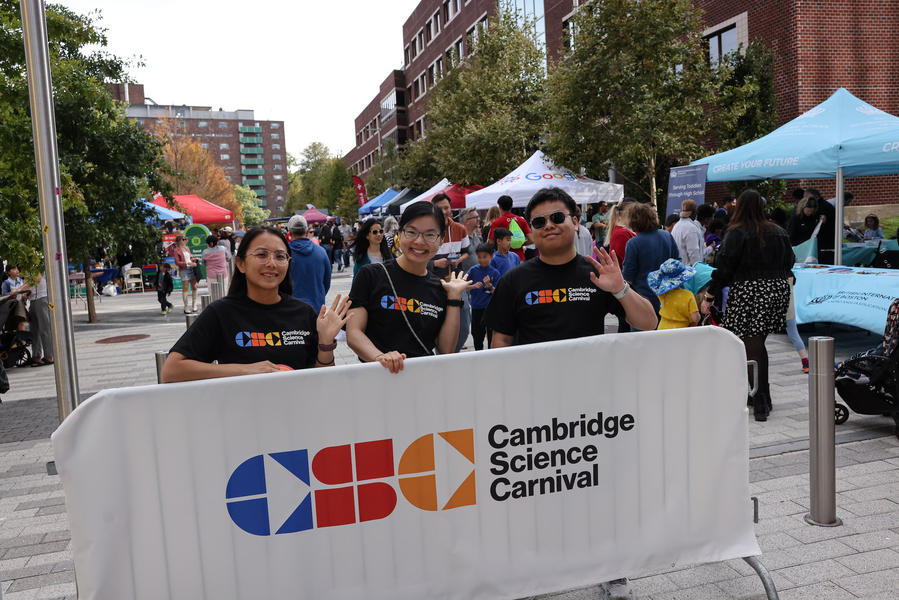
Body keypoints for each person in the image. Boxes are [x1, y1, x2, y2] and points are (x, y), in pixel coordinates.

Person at [482, 187, 656, 600]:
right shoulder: (515, 279)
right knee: (538, 489)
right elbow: (499, 344)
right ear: (531, 231)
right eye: (538, 222)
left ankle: (612, 567)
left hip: (593, 406)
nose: (548, 227)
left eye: (557, 218)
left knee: (600, 486)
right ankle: (536, 567)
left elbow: (648, 323)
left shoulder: (596, 272)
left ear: (575, 221)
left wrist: (618, 289)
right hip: (534, 410)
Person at [161, 226, 351, 383]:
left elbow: (321, 381)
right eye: (261, 255)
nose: (271, 263)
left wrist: (325, 344)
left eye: (280, 256)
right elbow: (171, 370)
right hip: (243, 421)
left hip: (296, 417)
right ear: (241, 264)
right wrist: (244, 371)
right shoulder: (221, 313)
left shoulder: (304, 312)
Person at [701, 190, 794, 422]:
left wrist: (709, 296)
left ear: (739, 206)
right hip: (777, 290)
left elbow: (724, 268)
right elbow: (790, 261)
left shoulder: (737, 232)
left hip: (750, 291)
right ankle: (762, 394)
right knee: (757, 343)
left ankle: (759, 398)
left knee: (750, 344)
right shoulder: (779, 231)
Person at [346, 202, 471, 374]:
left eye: (430, 235)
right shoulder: (371, 275)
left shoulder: (440, 289)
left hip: (422, 380)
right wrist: (380, 357)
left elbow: (445, 350)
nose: (419, 241)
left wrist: (454, 297)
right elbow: (353, 332)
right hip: (376, 378)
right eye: (411, 232)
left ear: (441, 239)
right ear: (399, 233)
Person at [621, 202, 681, 322]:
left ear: (633, 220)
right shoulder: (667, 236)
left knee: (643, 337)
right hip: (669, 295)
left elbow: (628, 275)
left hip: (644, 298)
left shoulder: (633, 243)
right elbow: (678, 262)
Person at [287, 215, 331, 312]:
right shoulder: (321, 252)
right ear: (307, 231)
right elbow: (326, 282)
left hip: (290, 308)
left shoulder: (283, 253)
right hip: (316, 307)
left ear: (289, 232)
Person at [647, 259, 700, 330]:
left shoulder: (662, 293)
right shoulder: (688, 295)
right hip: (682, 331)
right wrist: (698, 318)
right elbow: (695, 317)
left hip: (662, 329)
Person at [467, 243, 500, 351]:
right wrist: (473, 286)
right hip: (476, 307)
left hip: (490, 307)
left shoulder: (494, 272)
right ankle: (478, 353)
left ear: (491, 256)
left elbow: (498, 293)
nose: (481, 260)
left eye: (485, 256)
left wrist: (489, 286)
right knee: (477, 333)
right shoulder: (473, 270)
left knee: (491, 333)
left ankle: (492, 353)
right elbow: (464, 287)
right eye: (479, 256)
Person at [488, 195, 532, 263]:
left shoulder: (497, 222)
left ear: (500, 206)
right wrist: (518, 243)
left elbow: (491, 242)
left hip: (503, 258)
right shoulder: (521, 220)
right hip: (519, 257)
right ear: (512, 205)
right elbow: (531, 240)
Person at [671, 199, 712, 266]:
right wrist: (699, 270)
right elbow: (694, 254)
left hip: (679, 269)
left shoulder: (676, 226)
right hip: (689, 272)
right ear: (694, 211)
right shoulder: (691, 228)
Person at [26, 273, 53, 366]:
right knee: (34, 330)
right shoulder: (27, 266)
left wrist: (19, 289)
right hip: (32, 299)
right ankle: (36, 356)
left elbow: (37, 279)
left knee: (44, 329)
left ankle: (49, 356)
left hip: (41, 298)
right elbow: (27, 282)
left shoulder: (37, 262)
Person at [172, 234, 199, 313]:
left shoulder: (187, 248)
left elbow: (190, 258)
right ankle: (186, 306)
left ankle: (194, 304)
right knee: (185, 288)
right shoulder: (176, 250)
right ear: (178, 241)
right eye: (182, 239)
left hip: (191, 268)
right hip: (184, 269)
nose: (184, 240)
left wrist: (195, 259)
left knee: (195, 286)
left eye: (185, 239)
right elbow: (177, 262)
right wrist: (187, 263)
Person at [1, 265, 30, 331]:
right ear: (8, 272)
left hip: (21, 305)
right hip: (11, 307)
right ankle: (14, 339)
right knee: (12, 324)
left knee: (21, 322)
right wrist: (11, 294)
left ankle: (22, 340)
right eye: (14, 269)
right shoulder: (7, 283)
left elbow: (27, 290)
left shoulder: (22, 281)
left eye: (17, 269)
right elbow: (4, 294)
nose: (17, 270)